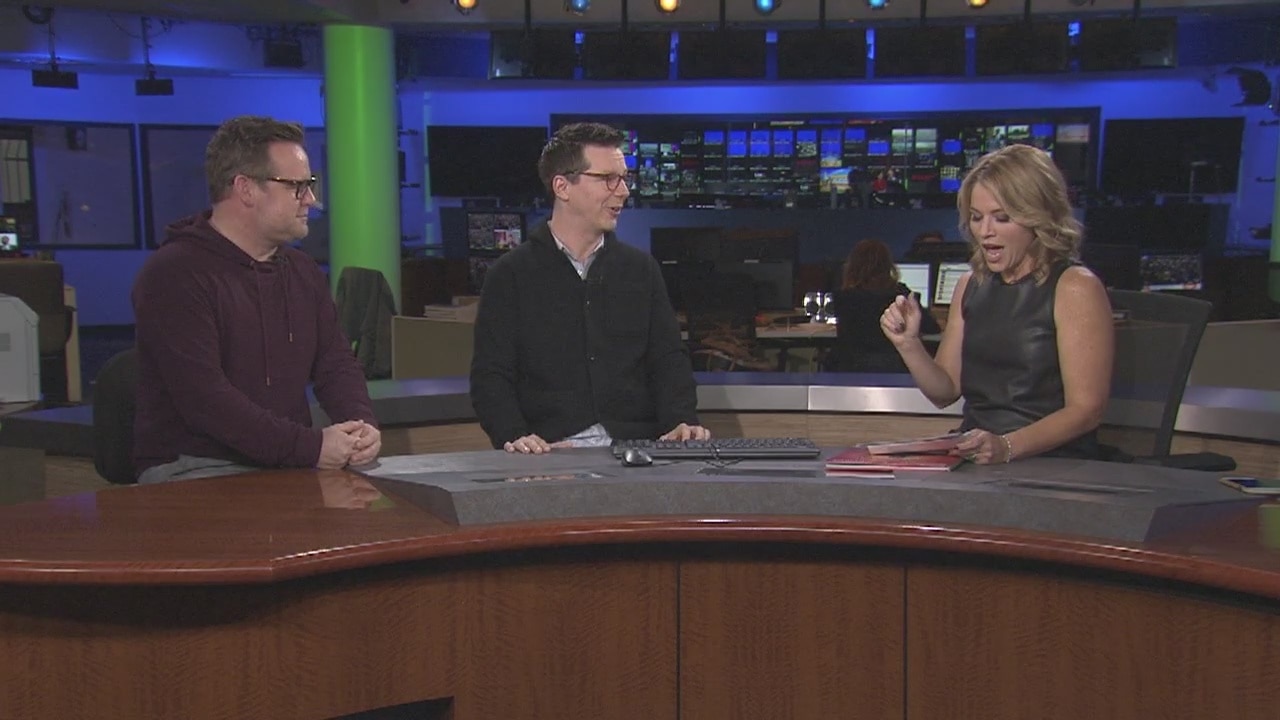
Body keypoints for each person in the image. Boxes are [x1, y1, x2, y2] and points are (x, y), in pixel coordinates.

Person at [132, 115, 381, 483]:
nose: (311, 200)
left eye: (310, 185)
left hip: (286, 463)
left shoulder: (302, 271)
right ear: (245, 189)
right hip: (197, 466)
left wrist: (360, 425)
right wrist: (310, 447)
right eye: (297, 187)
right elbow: (205, 401)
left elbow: (336, 364)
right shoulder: (174, 275)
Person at [470, 122, 709, 454]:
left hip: (637, 450)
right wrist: (515, 437)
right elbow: (491, 376)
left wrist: (680, 421)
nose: (623, 191)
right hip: (550, 454)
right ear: (563, 187)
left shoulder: (640, 270)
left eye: (624, 178)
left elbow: (669, 361)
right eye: (608, 179)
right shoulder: (510, 275)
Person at [880, 144, 1113, 463]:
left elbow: (1086, 410)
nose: (985, 232)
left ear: (1037, 218)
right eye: (977, 218)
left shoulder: (1075, 287)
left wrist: (1006, 446)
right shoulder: (970, 285)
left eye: (1002, 218)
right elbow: (944, 392)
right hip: (977, 458)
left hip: (1054, 464)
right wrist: (909, 344)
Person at [827, 238, 940, 373]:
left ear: (852, 266)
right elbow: (932, 327)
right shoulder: (901, 294)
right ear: (888, 265)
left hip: (851, 369)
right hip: (896, 370)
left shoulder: (843, 297)